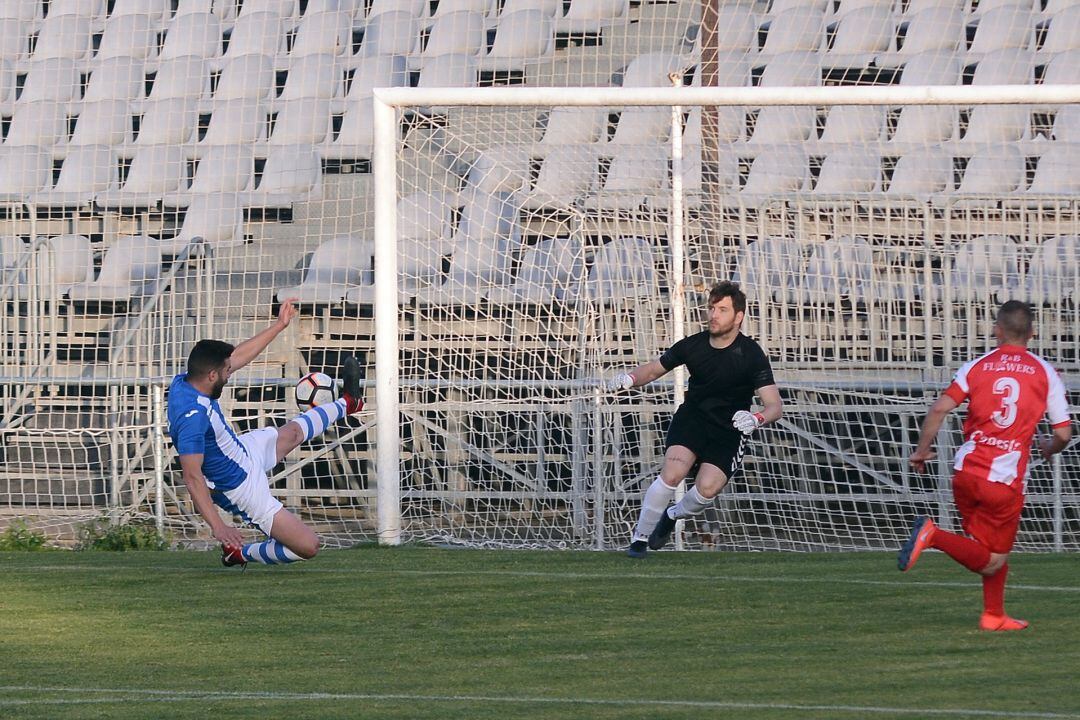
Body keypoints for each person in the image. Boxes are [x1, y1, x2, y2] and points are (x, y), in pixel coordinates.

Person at [899, 300, 1072, 631]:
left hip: (965, 472)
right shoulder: (1045, 372)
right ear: (1033, 333)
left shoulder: (977, 365)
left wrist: (922, 451)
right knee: (991, 561)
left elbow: (938, 410)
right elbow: (1063, 433)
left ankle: (993, 615)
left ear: (997, 331)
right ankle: (932, 535)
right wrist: (1049, 448)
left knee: (988, 551)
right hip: (1003, 480)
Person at [167, 299, 365, 568]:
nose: (230, 373)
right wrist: (218, 527)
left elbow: (236, 357)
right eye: (226, 371)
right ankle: (239, 554)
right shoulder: (192, 417)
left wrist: (279, 325)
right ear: (212, 375)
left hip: (241, 449)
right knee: (308, 546)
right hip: (239, 487)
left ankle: (349, 402)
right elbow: (192, 476)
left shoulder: (188, 380)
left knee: (294, 432)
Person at [605, 281, 783, 558]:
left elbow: (774, 405)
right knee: (672, 473)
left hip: (729, 429)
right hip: (693, 419)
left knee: (707, 488)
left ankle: (673, 515)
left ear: (738, 317)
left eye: (722, 310)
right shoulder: (693, 345)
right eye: (711, 308)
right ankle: (639, 540)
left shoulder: (751, 354)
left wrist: (756, 418)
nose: (713, 315)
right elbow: (652, 370)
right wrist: (629, 378)